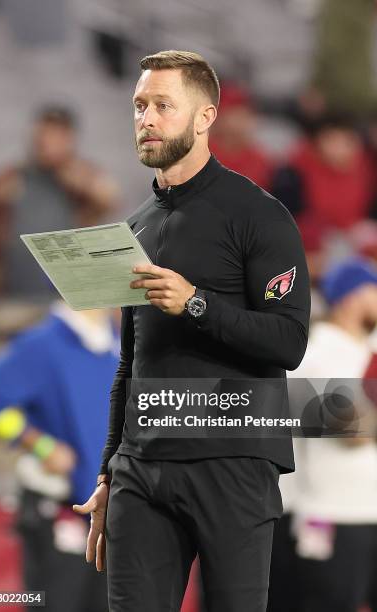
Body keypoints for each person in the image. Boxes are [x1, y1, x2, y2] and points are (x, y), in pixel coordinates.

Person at [73, 50, 311, 612]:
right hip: (141, 474)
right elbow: (130, 363)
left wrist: (197, 304)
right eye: (139, 106)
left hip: (233, 465)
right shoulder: (134, 227)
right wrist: (111, 469)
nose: (146, 119)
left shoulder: (260, 215)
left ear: (206, 117)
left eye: (162, 105)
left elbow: (289, 342)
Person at [0, 302, 120, 612]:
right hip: (60, 516)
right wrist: (38, 444)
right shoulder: (43, 344)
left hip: (112, 520)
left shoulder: (118, 344)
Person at [276, 258, 377, 612]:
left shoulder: (365, 350)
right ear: (353, 296)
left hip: (368, 510)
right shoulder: (316, 353)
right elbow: (354, 429)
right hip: (333, 512)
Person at [0, 105, 120, 300]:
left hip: (63, 297)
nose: (48, 140)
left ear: (70, 139)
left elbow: (109, 198)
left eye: (58, 134)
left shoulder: (80, 179)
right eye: (45, 132)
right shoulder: (14, 177)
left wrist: (67, 167)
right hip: (10, 295)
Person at [210, 82, 274, 190]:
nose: (241, 120)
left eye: (245, 113)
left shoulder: (259, 158)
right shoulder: (199, 152)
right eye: (233, 113)